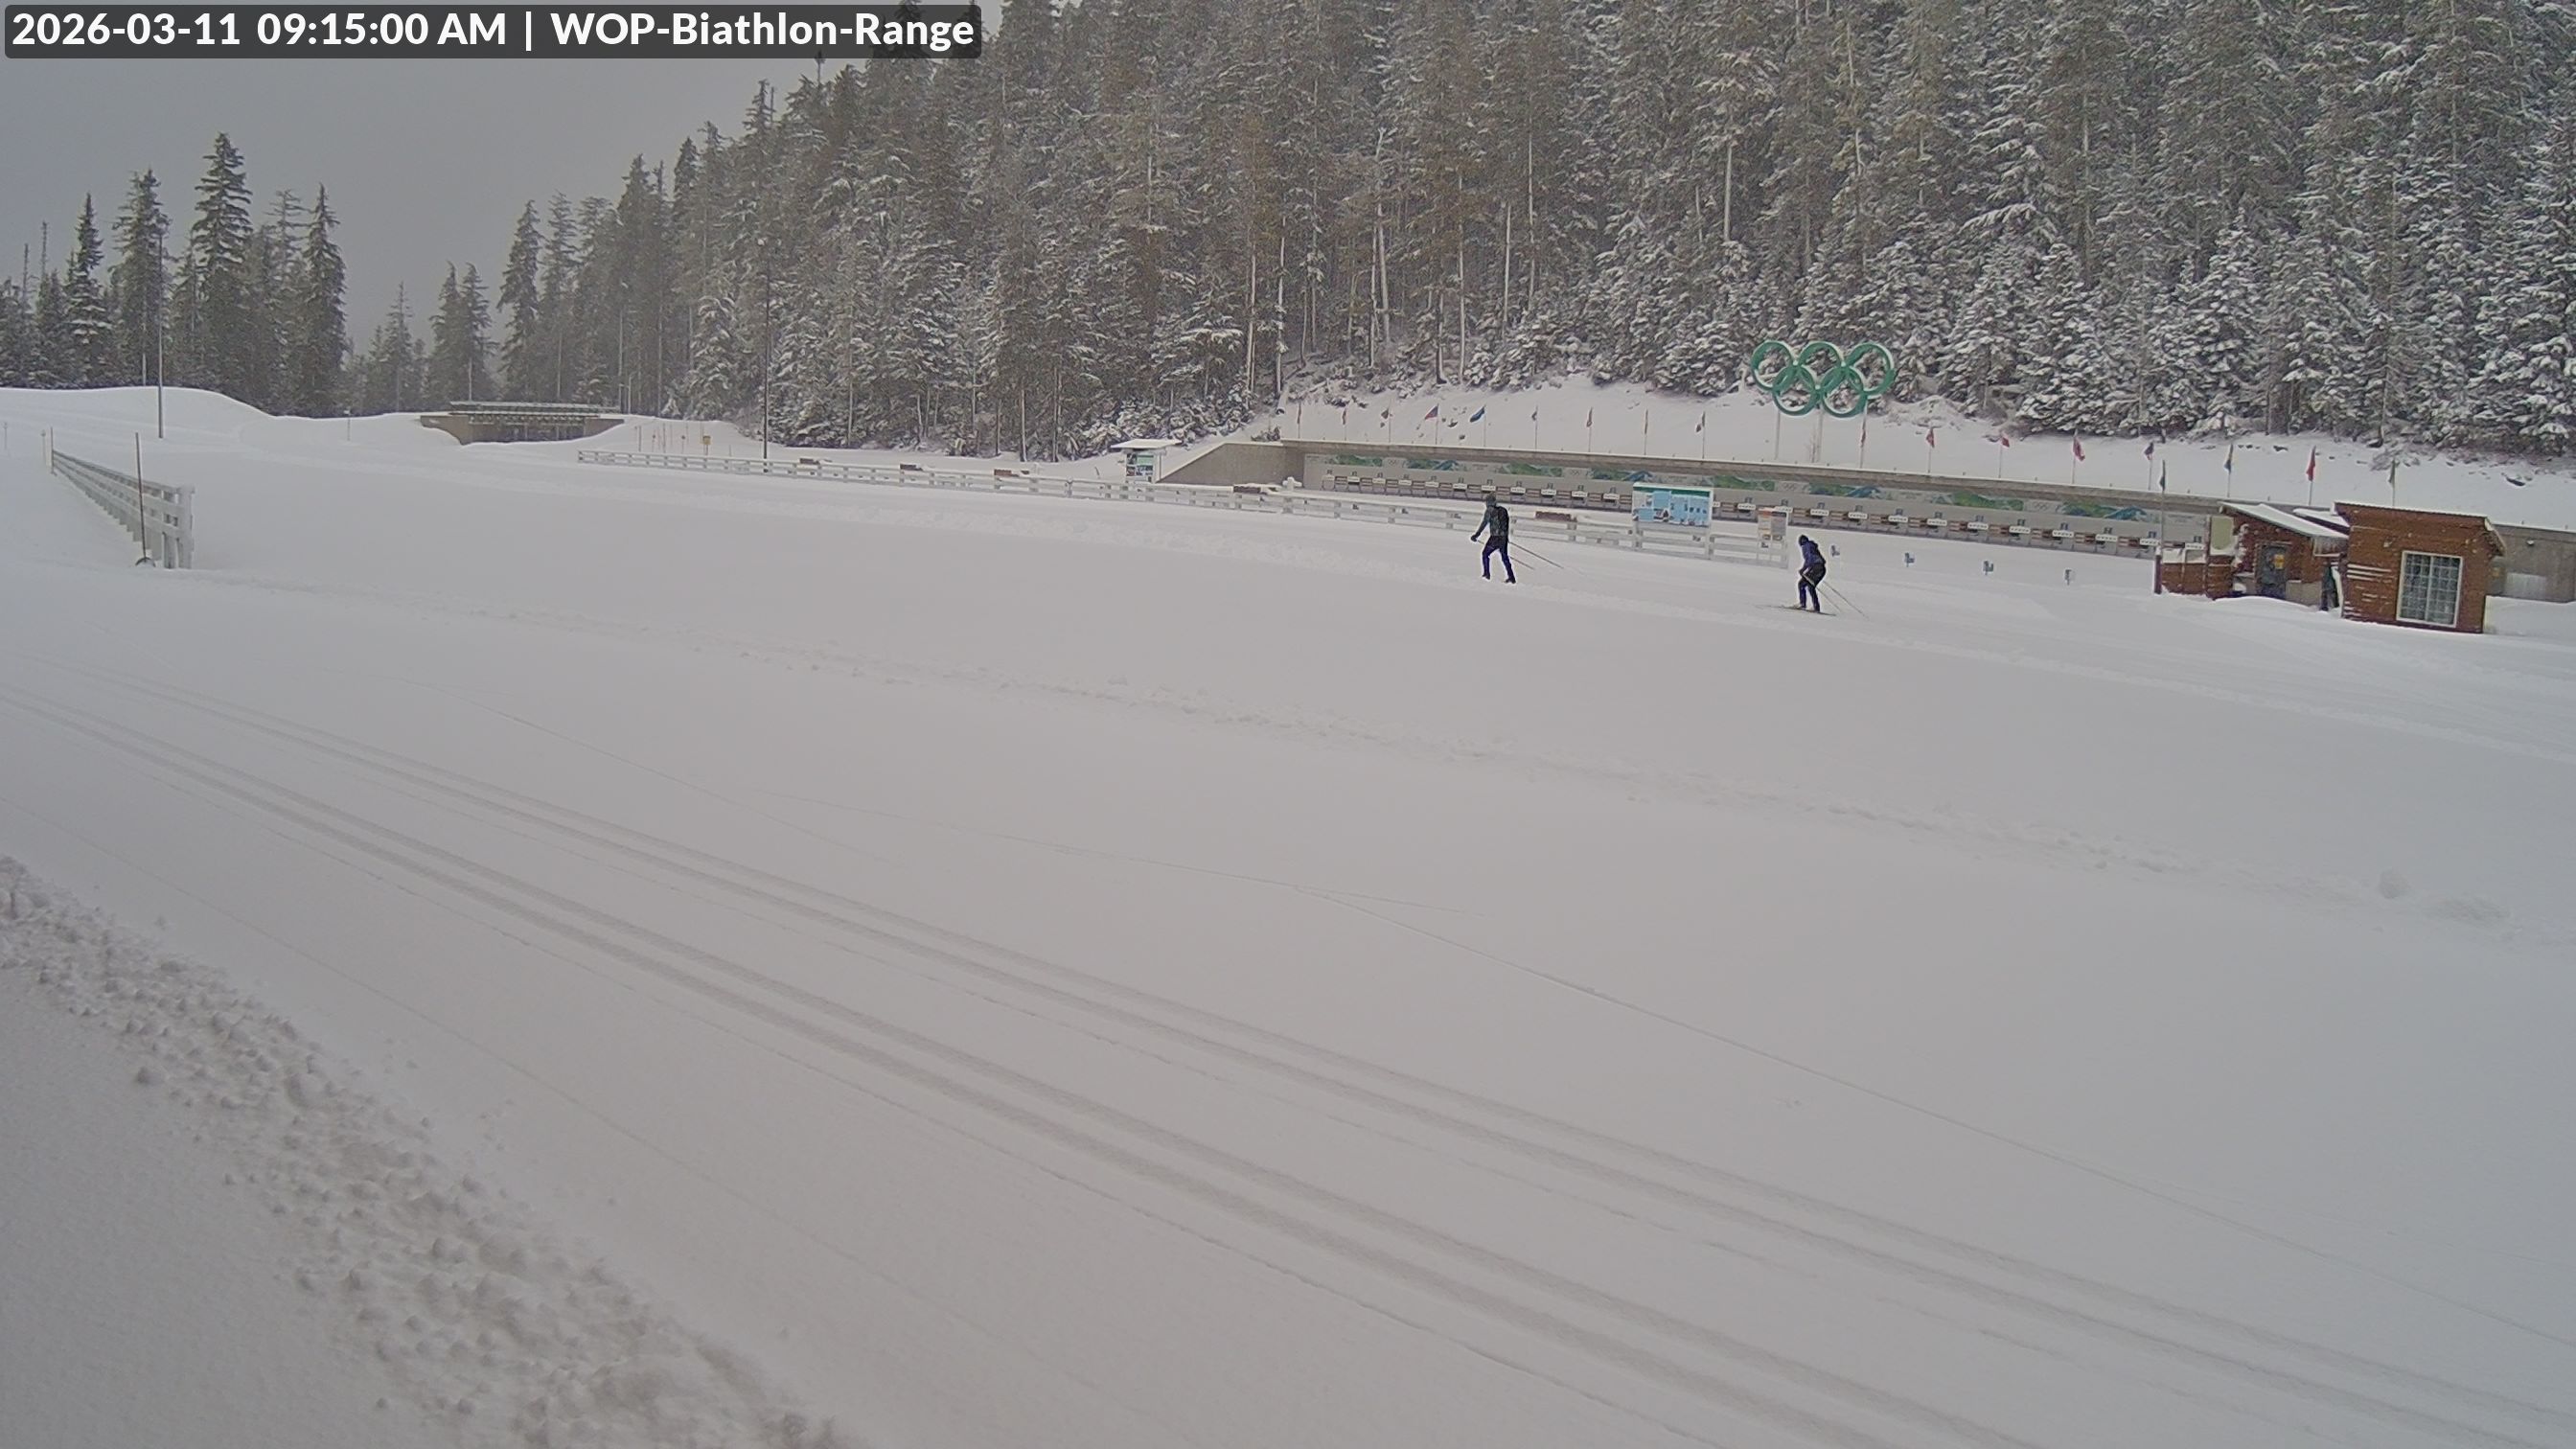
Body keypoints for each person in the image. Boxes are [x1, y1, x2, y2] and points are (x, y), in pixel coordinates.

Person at [1472, 491, 1516, 583]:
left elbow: (1484, 523)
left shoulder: (1489, 511)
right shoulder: (1503, 510)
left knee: (1485, 554)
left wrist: (1476, 535)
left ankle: (1486, 574)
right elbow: (1506, 524)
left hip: (1495, 537)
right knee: (1504, 557)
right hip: (1503, 537)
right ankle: (1511, 577)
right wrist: (1506, 537)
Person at [1797, 534, 1827, 611]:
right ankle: (1816, 607)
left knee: (1802, 584)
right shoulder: (1812, 546)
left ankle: (1803, 604)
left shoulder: (1805, 546)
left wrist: (1803, 570)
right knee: (1810, 586)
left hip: (1816, 567)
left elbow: (1809, 559)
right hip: (1822, 568)